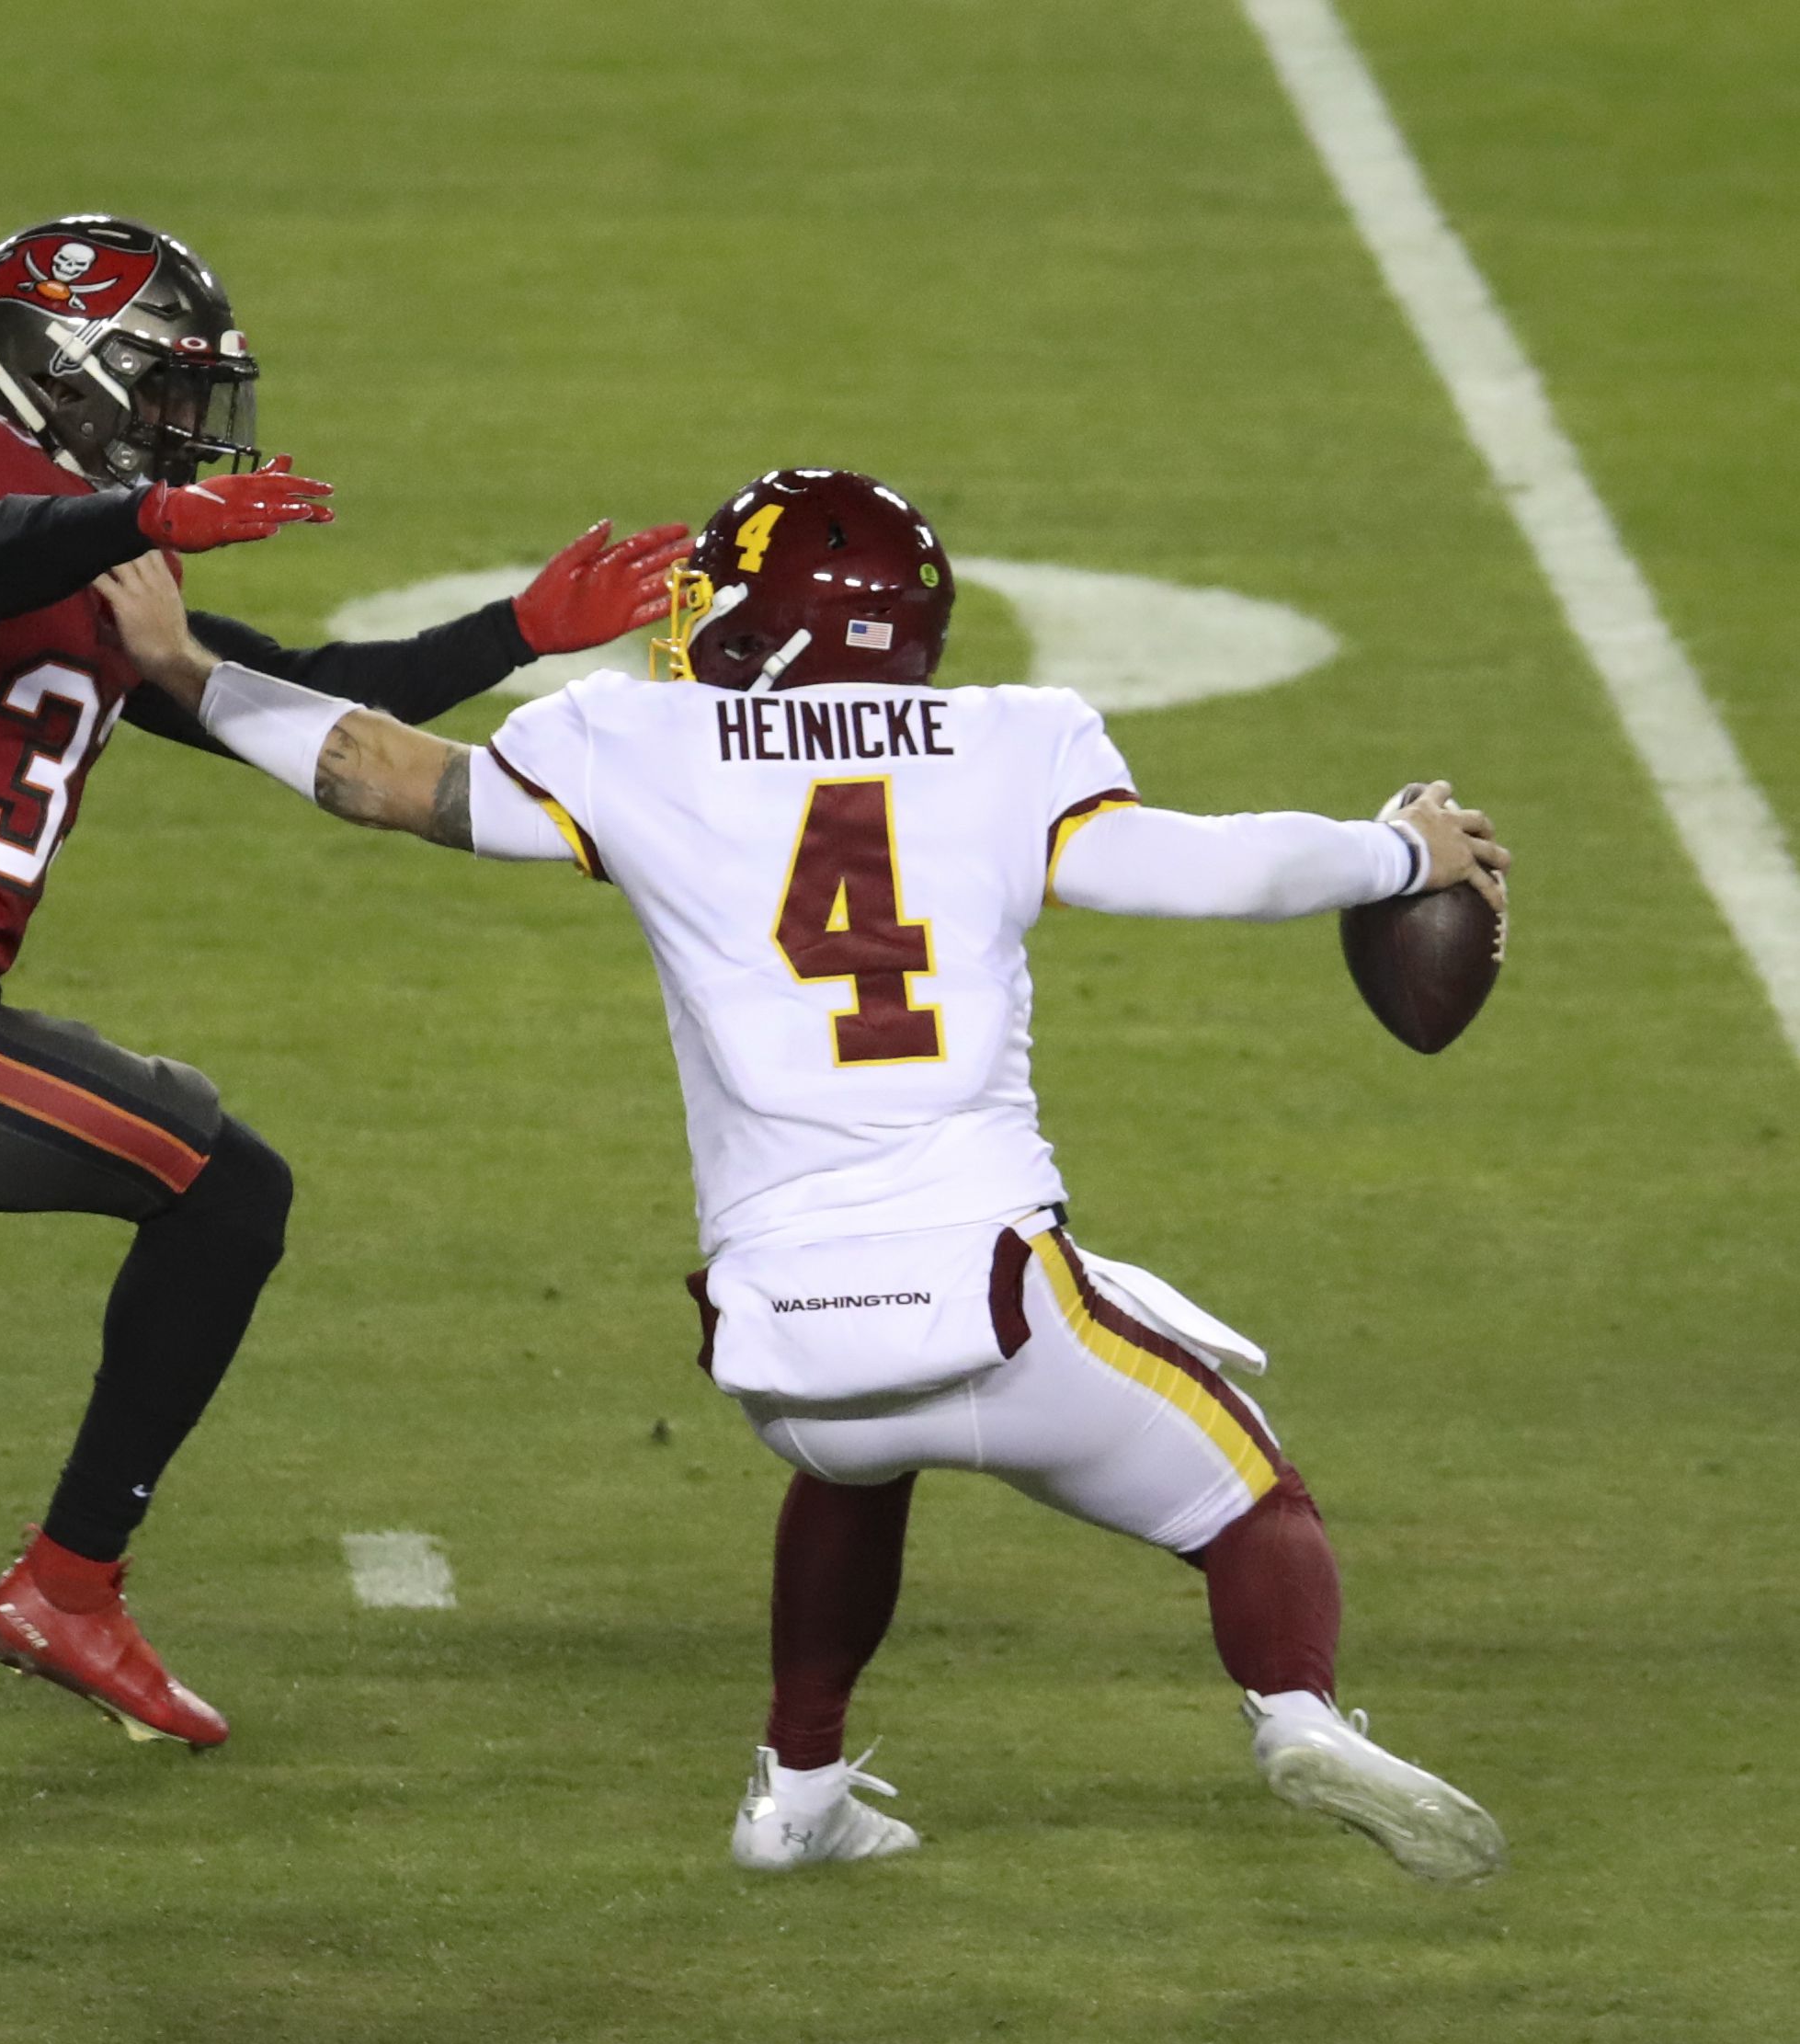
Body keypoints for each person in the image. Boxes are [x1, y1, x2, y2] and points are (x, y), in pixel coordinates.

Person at [92, 466, 1512, 1885]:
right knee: (1250, 1499)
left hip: (778, 1342)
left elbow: (380, 775)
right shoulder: (1015, 740)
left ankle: (799, 1790)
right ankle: (1295, 1713)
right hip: (1000, 1301)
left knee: (862, 1453)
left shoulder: (632, 742)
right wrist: (1394, 850)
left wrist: (186, 668)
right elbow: (1189, 868)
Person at [0, 214, 692, 1746]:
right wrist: (145, 513)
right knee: (217, 1182)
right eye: (157, 381)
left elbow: (305, 700)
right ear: (61, 370)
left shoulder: (103, 557)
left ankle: (63, 1585)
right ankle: (65, 1585)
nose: (183, 421)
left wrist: (519, 631)